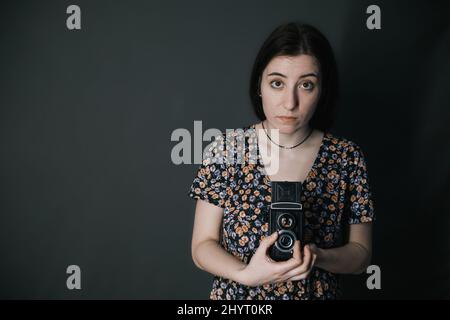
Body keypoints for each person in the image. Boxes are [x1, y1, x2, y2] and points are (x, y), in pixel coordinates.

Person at [188, 22, 375, 300]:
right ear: (259, 86)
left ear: (322, 90)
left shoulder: (346, 157)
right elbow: (202, 246)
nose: (290, 102)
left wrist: (317, 256)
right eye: (277, 83)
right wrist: (245, 274)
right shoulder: (227, 149)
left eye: (306, 85)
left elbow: (361, 256)